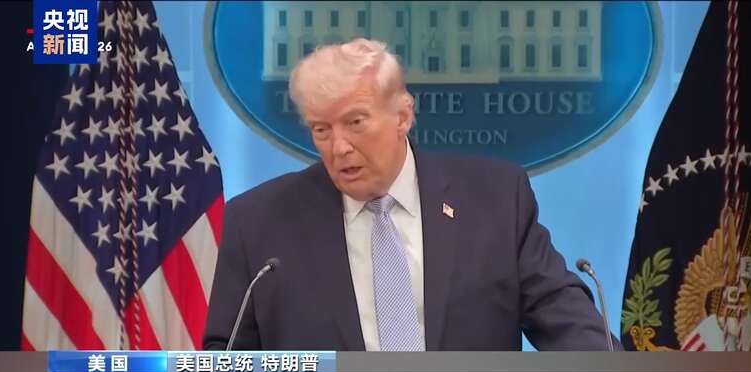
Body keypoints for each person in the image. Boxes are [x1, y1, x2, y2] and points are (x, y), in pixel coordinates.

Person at [203, 38, 616, 352]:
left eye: (355, 122)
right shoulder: (258, 224)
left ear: (402, 116)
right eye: (321, 129)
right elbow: (223, 371)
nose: (339, 147)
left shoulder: (495, 200)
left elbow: (566, 322)